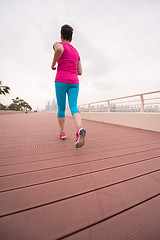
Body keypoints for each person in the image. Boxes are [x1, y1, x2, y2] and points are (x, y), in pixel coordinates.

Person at [51, 24, 86, 148]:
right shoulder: (76, 52)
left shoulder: (58, 44)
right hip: (74, 82)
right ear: (71, 38)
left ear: (61, 36)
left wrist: (53, 64)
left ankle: (62, 133)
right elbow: (80, 72)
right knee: (73, 106)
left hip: (61, 80)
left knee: (61, 107)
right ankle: (79, 128)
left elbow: (59, 49)